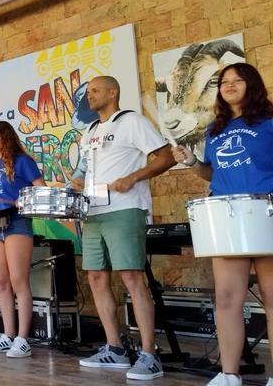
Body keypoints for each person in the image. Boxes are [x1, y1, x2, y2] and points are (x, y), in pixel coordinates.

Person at [171, 63, 273, 386]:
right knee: (227, 299)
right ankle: (229, 375)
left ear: (251, 84)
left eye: (236, 80)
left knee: (272, 298)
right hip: (228, 218)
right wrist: (192, 162)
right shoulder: (215, 130)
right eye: (224, 81)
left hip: (265, 212)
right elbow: (214, 173)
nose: (228, 85)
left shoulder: (270, 122)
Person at [72, 76, 175, 380]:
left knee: (131, 275)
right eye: (88, 91)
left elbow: (166, 156)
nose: (89, 96)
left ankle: (149, 354)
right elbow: (87, 171)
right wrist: (79, 183)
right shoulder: (88, 131)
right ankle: (115, 349)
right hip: (93, 211)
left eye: (94, 91)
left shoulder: (130, 121)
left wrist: (135, 176)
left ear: (113, 92)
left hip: (124, 208)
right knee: (96, 277)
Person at [0, 121, 45, 357]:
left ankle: (23, 339)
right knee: (2, 283)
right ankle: (7, 335)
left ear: (6, 135)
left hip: (17, 223)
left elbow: (41, 189)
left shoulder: (23, 161)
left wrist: (22, 202)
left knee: (19, 281)